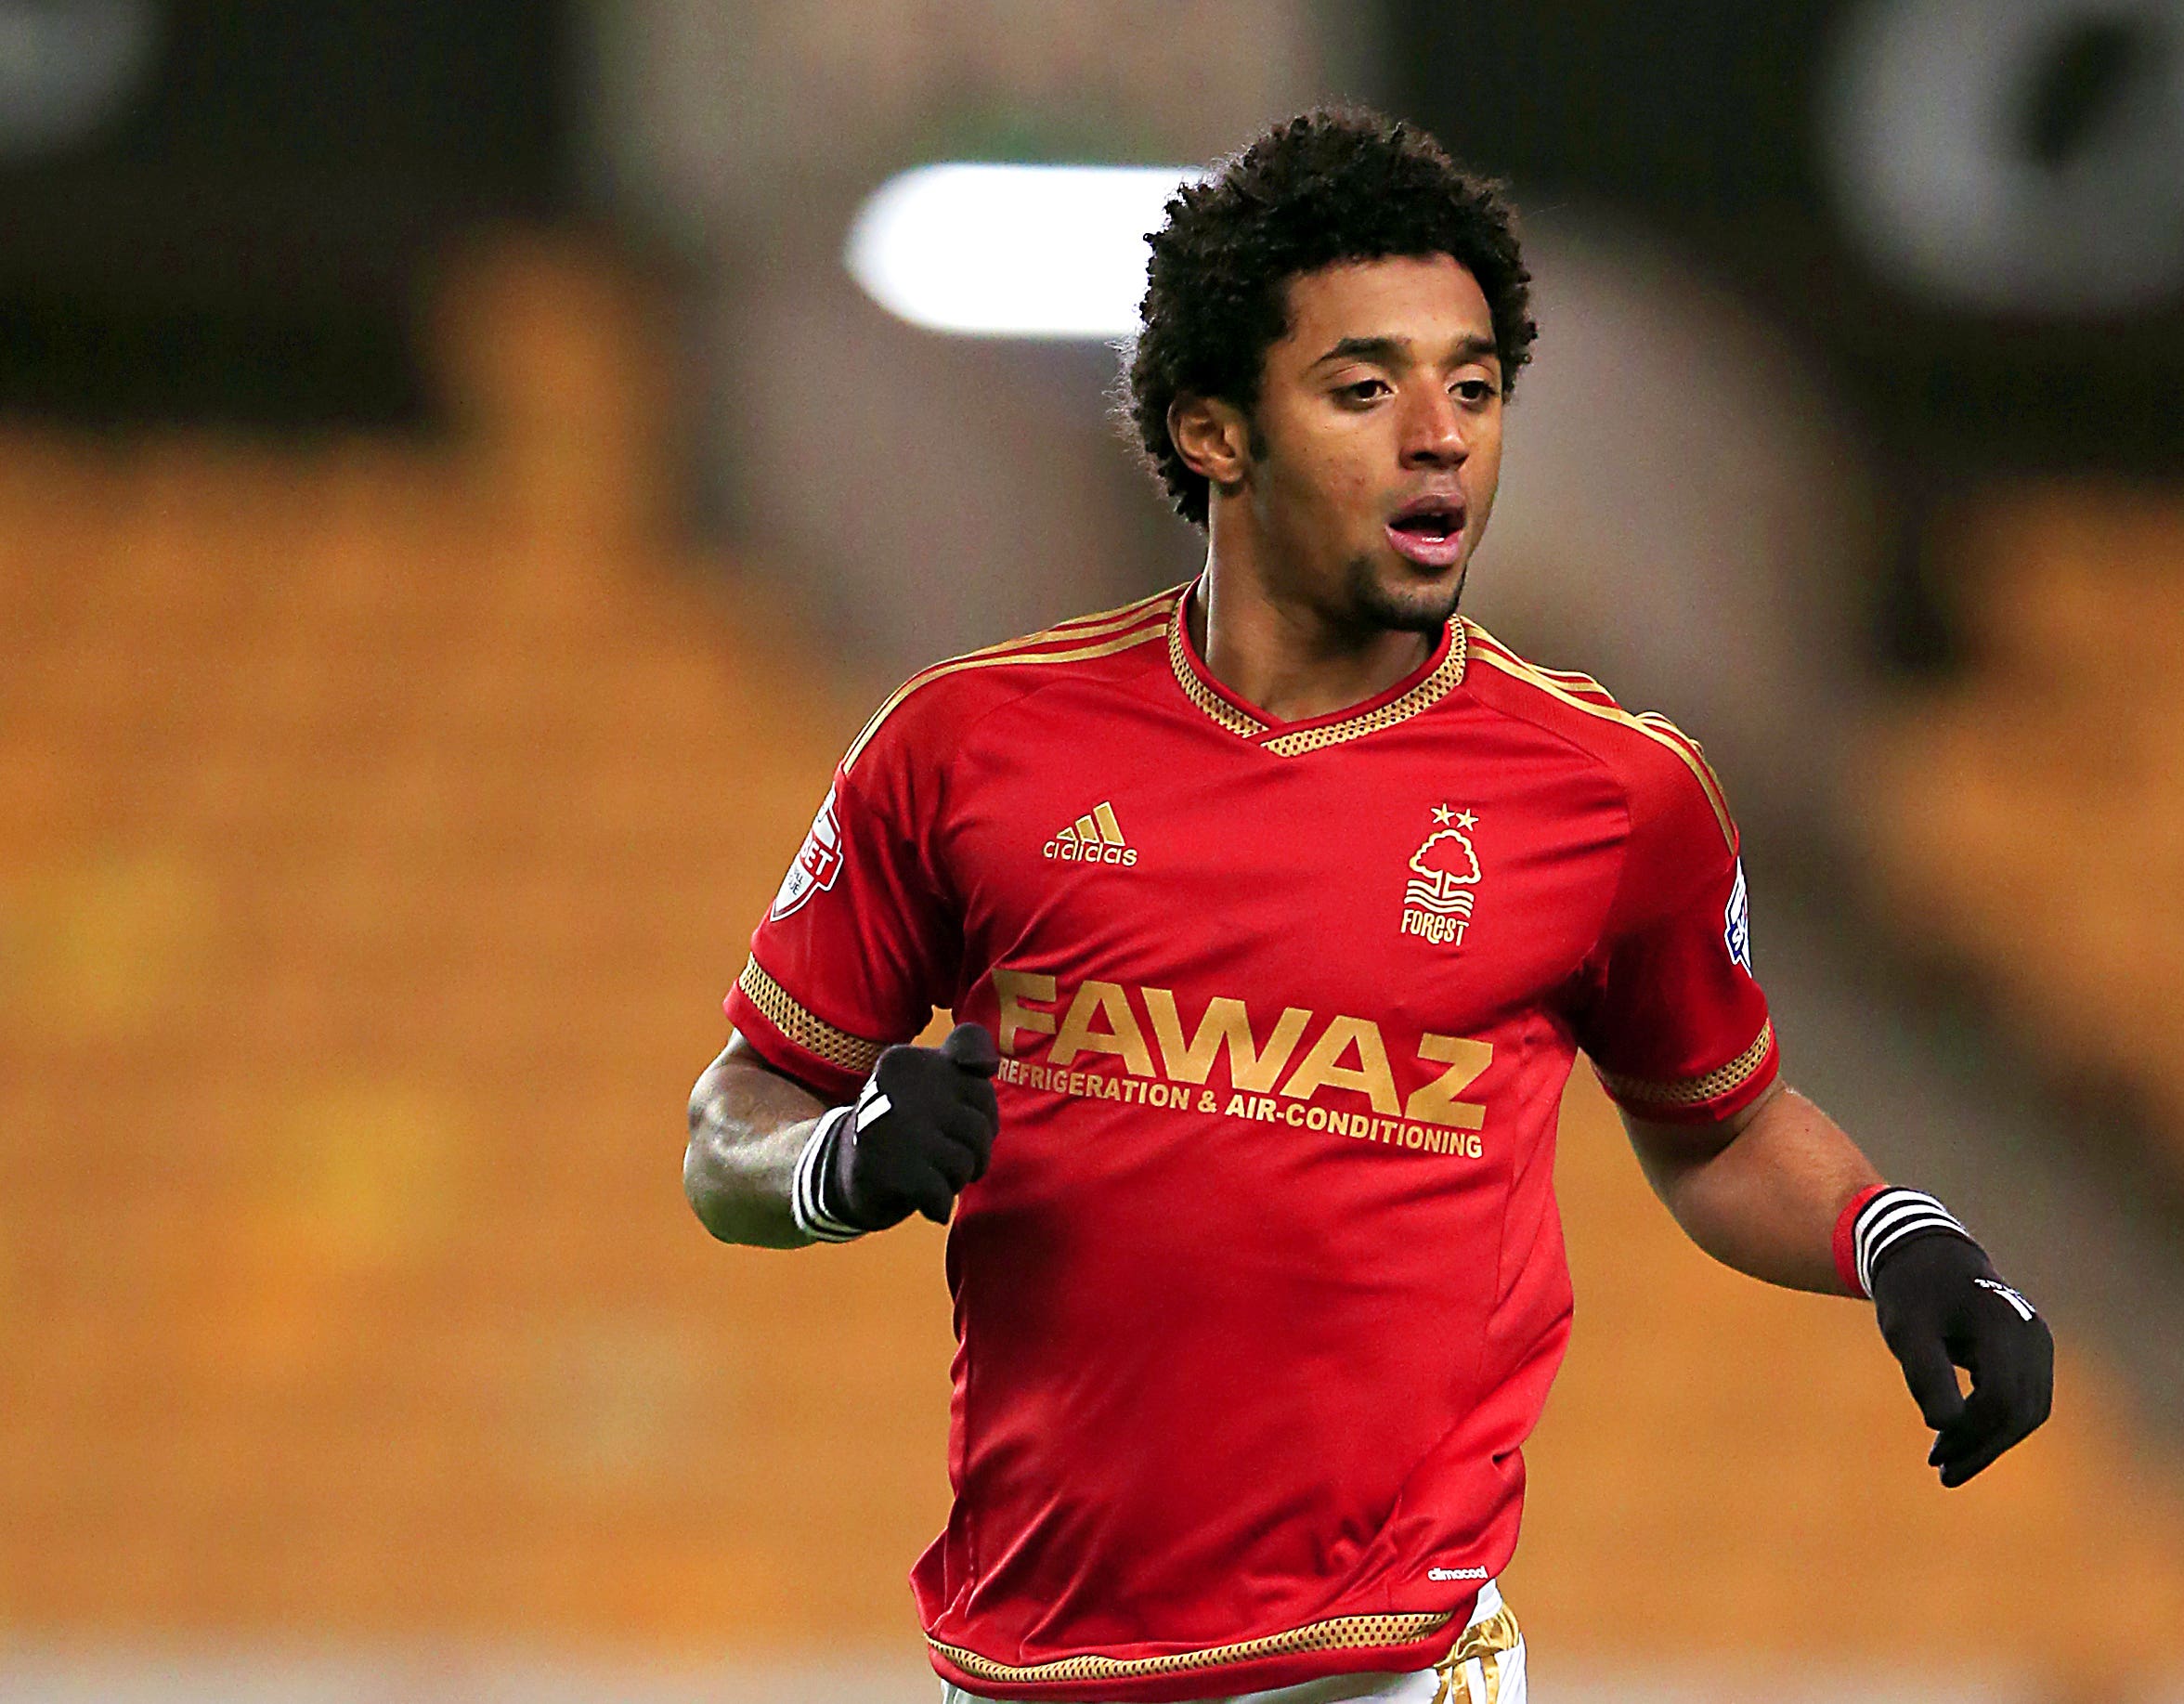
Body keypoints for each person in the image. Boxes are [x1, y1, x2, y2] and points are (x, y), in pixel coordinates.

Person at [684, 110, 2053, 1704]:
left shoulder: (1615, 795)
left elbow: (1720, 1125)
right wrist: (836, 1162)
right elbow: (733, 1130)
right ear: (1212, 429)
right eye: (1365, 389)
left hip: (1390, 1665)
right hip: (1027, 1667)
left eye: (1473, 387)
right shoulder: (968, 748)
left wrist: (1904, 1242)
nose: (1442, 438)